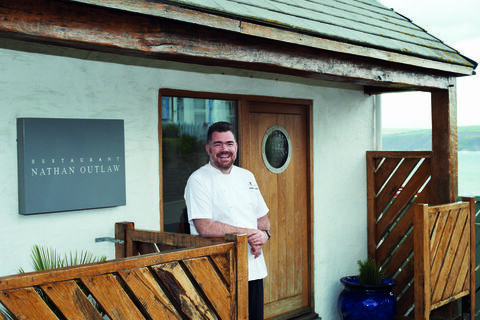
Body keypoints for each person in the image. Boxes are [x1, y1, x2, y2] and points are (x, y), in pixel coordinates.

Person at [184, 121, 271, 320]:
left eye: (229, 143)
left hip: (253, 269)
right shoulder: (198, 180)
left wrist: (264, 235)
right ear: (208, 148)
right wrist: (250, 233)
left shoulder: (247, 176)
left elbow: (263, 218)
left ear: (236, 147)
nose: (225, 149)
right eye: (218, 144)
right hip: (218, 271)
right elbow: (205, 227)